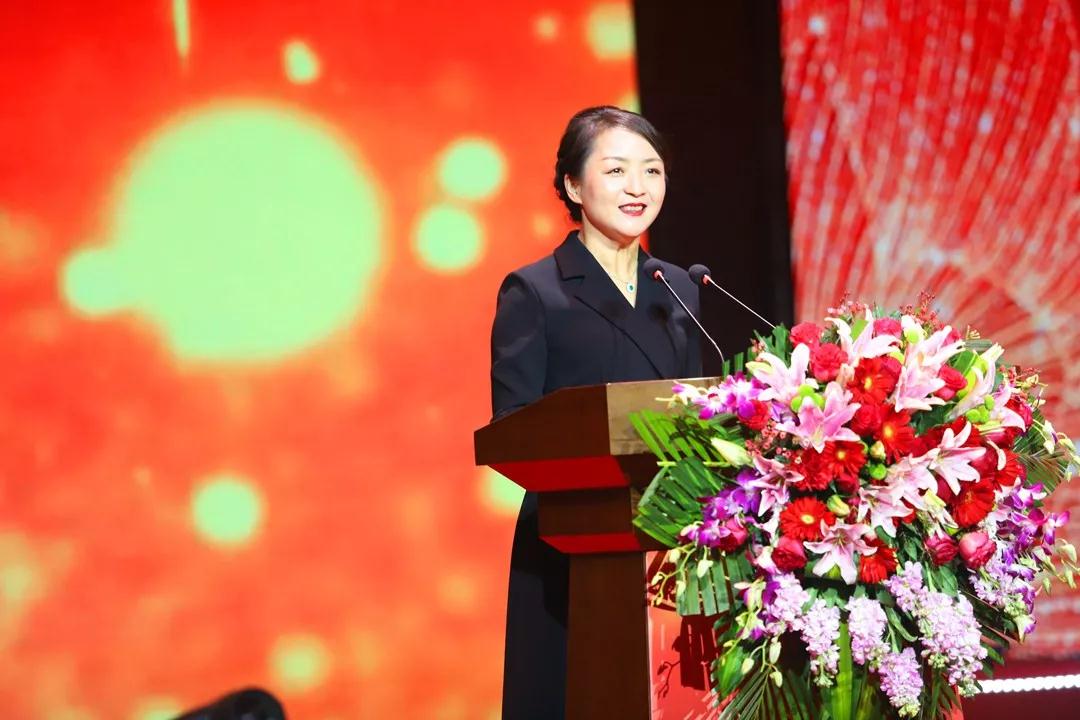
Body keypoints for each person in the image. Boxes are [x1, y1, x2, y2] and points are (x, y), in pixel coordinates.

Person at [489, 106, 703, 718]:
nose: (638, 187)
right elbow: (513, 427)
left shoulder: (679, 287)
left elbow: (695, 410)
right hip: (574, 538)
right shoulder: (536, 291)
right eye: (616, 170)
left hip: (673, 537)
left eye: (652, 170)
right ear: (574, 186)